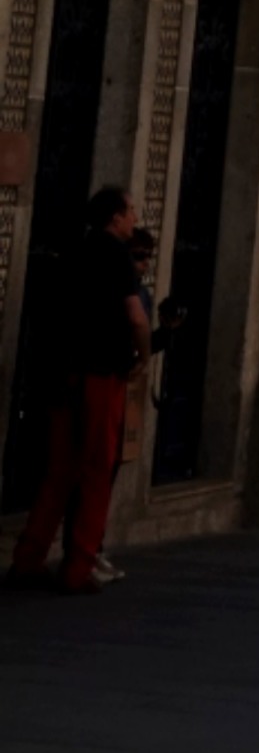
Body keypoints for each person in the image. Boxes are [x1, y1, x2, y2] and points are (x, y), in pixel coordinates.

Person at [9, 188, 149, 594]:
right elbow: (136, 316)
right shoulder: (117, 257)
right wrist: (143, 355)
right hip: (101, 375)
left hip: (63, 373)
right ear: (115, 217)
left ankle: (28, 558)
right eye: (130, 210)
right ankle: (78, 567)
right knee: (96, 471)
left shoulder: (74, 252)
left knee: (58, 470)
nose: (135, 217)